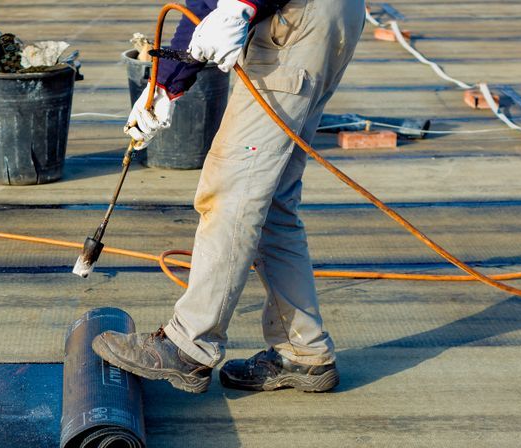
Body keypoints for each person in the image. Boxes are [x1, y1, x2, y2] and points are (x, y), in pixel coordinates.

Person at [93, 0, 365, 394]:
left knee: (231, 188)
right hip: (329, 15)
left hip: (298, 18)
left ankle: (189, 345)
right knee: (270, 199)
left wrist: (243, 4)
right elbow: (202, 5)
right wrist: (167, 85)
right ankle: (303, 351)